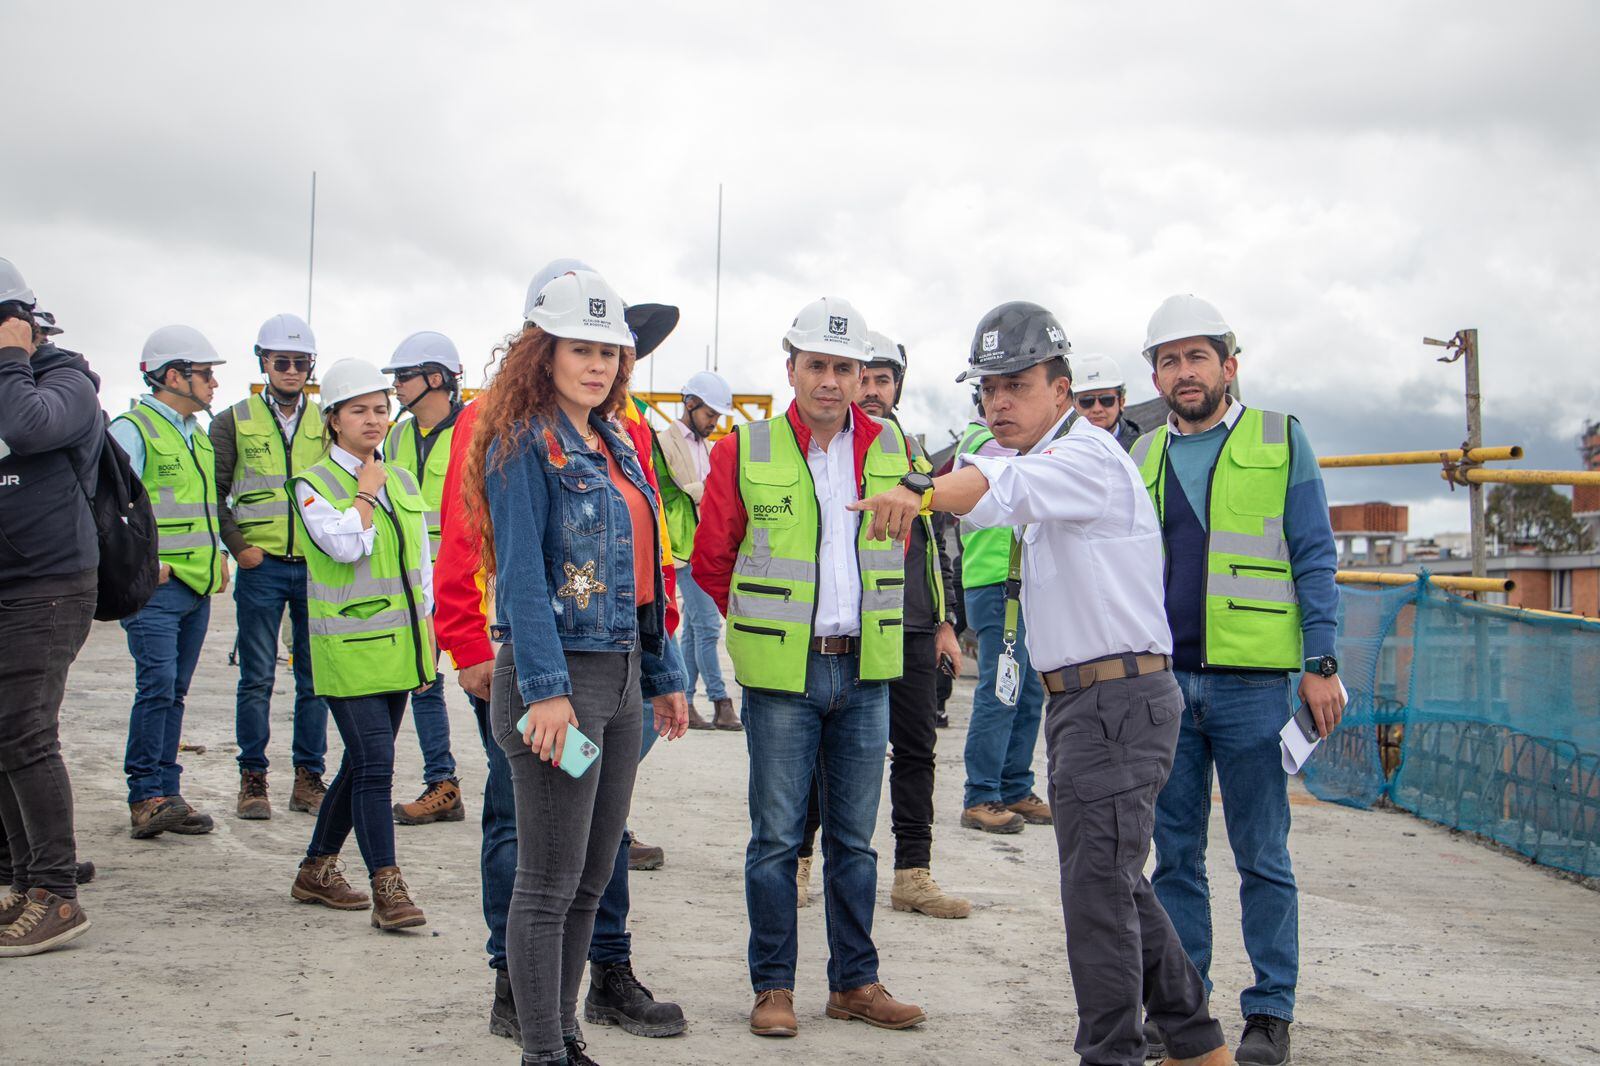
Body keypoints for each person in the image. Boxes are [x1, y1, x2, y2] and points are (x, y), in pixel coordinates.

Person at [849, 300, 1233, 1066]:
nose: (997, 402)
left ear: (1061, 388)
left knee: (1097, 900)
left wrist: (920, 490)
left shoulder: (1083, 457)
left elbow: (997, 487)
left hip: (1115, 703)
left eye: (1015, 384)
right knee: (1118, 886)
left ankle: (1115, 1055)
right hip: (1093, 703)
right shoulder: (1046, 459)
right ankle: (1198, 1045)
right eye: (987, 388)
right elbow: (996, 482)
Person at [465, 268, 689, 1066]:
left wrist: (660, 678)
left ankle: (565, 1038)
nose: (597, 366)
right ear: (544, 353)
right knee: (547, 883)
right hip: (555, 681)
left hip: (621, 678)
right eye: (581, 349)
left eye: (610, 353)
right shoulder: (522, 442)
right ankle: (542, 1053)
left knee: (593, 877)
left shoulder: (617, 441)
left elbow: (647, 571)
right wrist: (548, 690)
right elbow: (522, 573)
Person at [692, 296, 925, 1039]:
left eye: (845, 368)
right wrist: (766, 627)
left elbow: (913, 548)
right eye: (817, 365)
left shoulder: (896, 447)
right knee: (776, 840)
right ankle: (773, 989)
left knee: (855, 842)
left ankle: (855, 982)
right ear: (790, 368)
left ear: (864, 376)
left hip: (864, 669)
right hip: (782, 677)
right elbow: (712, 558)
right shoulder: (745, 448)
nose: (830, 380)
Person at [1131, 295, 1344, 1066]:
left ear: (1229, 363)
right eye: (1168, 360)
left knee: (1263, 857)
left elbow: (1315, 555)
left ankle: (1270, 1016)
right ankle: (1186, 1019)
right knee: (1175, 859)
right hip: (1164, 685)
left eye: (1197, 357)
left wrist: (1321, 665)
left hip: (1255, 687)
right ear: (1154, 374)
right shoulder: (1144, 454)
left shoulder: (1280, 438)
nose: (1183, 372)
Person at [794, 331, 968, 919]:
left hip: (911, 625)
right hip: (849, 629)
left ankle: (912, 873)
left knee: (917, 749)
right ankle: (799, 860)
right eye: (861, 378)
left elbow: (934, 542)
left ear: (897, 387)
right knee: (825, 751)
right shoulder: (817, 448)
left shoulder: (910, 454)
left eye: (881, 380)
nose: (869, 390)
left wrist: (945, 622)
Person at [286, 358, 434, 932]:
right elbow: (345, 547)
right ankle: (388, 888)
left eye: (380, 409)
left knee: (361, 763)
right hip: (346, 649)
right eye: (359, 411)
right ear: (333, 419)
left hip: (400, 645)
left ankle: (316, 868)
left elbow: (418, 562)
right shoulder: (313, 484)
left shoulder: (400, 477)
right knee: (376, 764)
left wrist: (427, 636)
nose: (373, 420)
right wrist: (365, 494)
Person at [0, 260, 99, 956]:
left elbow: (28, 428)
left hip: (53, 583)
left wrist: (13, 353)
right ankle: (21, 880)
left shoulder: (66, 381)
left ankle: (57, 894)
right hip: (10, 583)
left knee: (25, 731)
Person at [110, 325, 230, 840]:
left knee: (174, 692)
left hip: (195, 587)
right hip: (155, 588)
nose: (213, 385)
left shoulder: (196, 437)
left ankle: (167, 791)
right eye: (205, 374)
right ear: (173, 375)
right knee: (156, 687)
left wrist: (220, 554)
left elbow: (206, 508)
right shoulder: (132, 430)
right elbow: (109, 511)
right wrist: (139, 567)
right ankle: (146, 795)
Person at [209, 312, 330, 820]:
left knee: (315, 677)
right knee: (256, 677)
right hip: (261, 569)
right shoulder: (233, 420)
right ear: (263, 362)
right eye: (282, 361)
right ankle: (253, 778)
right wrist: (238, 547)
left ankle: (308, 778)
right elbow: (213, 492)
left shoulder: (327, 419)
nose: (292, 370)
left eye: (301, 362)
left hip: (315, 568)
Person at [952, 386, 1050, 834]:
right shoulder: (982, 444)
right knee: (1001, 689)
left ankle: (1014, 785)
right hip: (995, 583)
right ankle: (981, 794)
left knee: (1027, 691)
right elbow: (1033, 470)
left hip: (1021, 584)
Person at [382, 331, 466, 826]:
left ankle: (522, 789)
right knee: (423, 680)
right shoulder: (395, 436)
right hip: (414, 581)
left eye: (403, 377)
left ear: (435, 378)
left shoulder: (473, 433)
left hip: (466, 581)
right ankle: (443, 783)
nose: (395, 387)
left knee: (491, 685)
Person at [653, 370, 739, 731]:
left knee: (692, 629)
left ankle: (687, 697)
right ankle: (720, 701)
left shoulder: (705, 446)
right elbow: (672, 490)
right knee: (705, 627)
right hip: (679, 547)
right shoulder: (663, 441)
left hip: (702, 545)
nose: (714, 422)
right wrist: (714, 488)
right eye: (710, 415)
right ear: (690, 404)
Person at [1070, 352, 1142, 451]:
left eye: (1106, 400)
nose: (1097, 409)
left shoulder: (1143, 449)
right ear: (1074, 406)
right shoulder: (1060, 451)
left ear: (1121, 402)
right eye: (1086, 401)